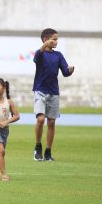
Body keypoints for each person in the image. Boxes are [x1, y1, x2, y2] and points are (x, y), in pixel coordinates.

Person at [32, 28, 74, 162]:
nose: (56, 42)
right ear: (46, 40)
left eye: (57, 39)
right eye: (54, 39)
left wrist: (70, 70)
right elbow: (36, 57)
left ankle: (48, 151)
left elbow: (65, 73)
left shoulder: (58, 55)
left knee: (51, 122)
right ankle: (38, 146)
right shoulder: (40, 54)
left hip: (54, 92)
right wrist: (44, 45)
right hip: (40, 90)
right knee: (40, 119)